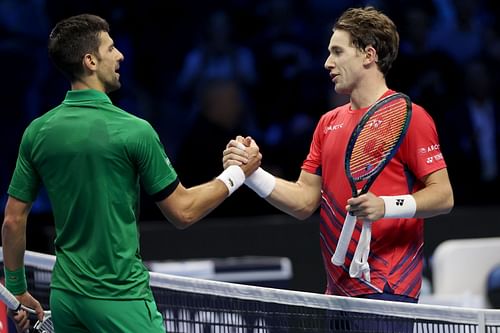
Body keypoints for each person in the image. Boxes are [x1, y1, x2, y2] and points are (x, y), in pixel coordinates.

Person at [1, 14, 260, 333]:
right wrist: (237, 173)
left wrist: (17, 287)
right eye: (111, 48)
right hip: (120, 297)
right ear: (90, 61)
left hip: (67, 298)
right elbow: (183, 211)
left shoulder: (37, 133)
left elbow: (13, 219)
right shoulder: (134, 131)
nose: (120, 55)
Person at [223, 6, 453, 304]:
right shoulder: (328, 123)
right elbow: (304, 202)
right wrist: (251, 174)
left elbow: (443, 196)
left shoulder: (410, 117)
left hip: (388, 288)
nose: (327, 63)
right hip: (338, 292)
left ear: (369, 55)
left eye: (337, 52)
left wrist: (387, 205)